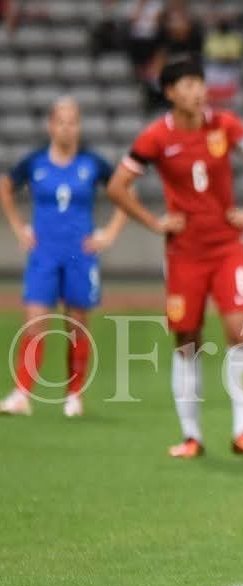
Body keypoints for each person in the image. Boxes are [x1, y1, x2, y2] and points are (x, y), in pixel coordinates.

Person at [106, 56, 243, 458]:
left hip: (227, 248)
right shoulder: (155, 137)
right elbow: (117, 187)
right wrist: (154, 222)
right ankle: (191, 436)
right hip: (184, 254)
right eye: (186, 85)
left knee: (240, 332)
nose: (197, 91)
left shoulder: (226, 126)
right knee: (187, 341)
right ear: (169, 93)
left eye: (199, 83)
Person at [0, 98, 126, 418]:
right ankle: (22, 393)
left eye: (72, 122)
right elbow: (6, 188)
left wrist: (108, 234)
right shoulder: (34, 163)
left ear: (79, 126)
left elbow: (125, 192)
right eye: (61, 121)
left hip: (79, 253)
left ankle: (74, 394)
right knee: (35, 321)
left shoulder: (92, 164)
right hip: (44, 252)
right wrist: (19, 228)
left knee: (77, 325)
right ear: (50, 125)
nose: (66, 127)